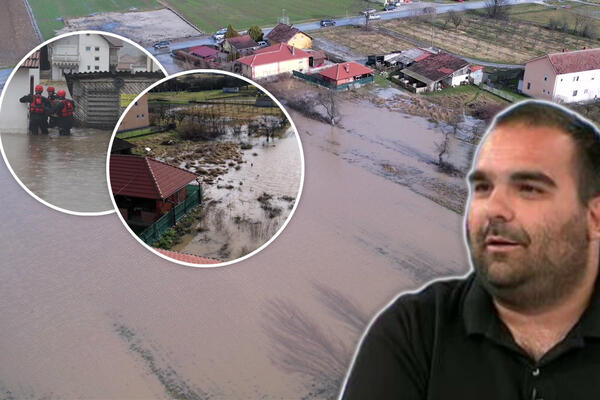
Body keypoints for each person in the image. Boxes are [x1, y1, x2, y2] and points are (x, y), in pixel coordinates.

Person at [340, 100, 600, 399]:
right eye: (483, 188)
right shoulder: (417, 331)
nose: (494, 209)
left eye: (529, 188)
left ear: (593, 217)